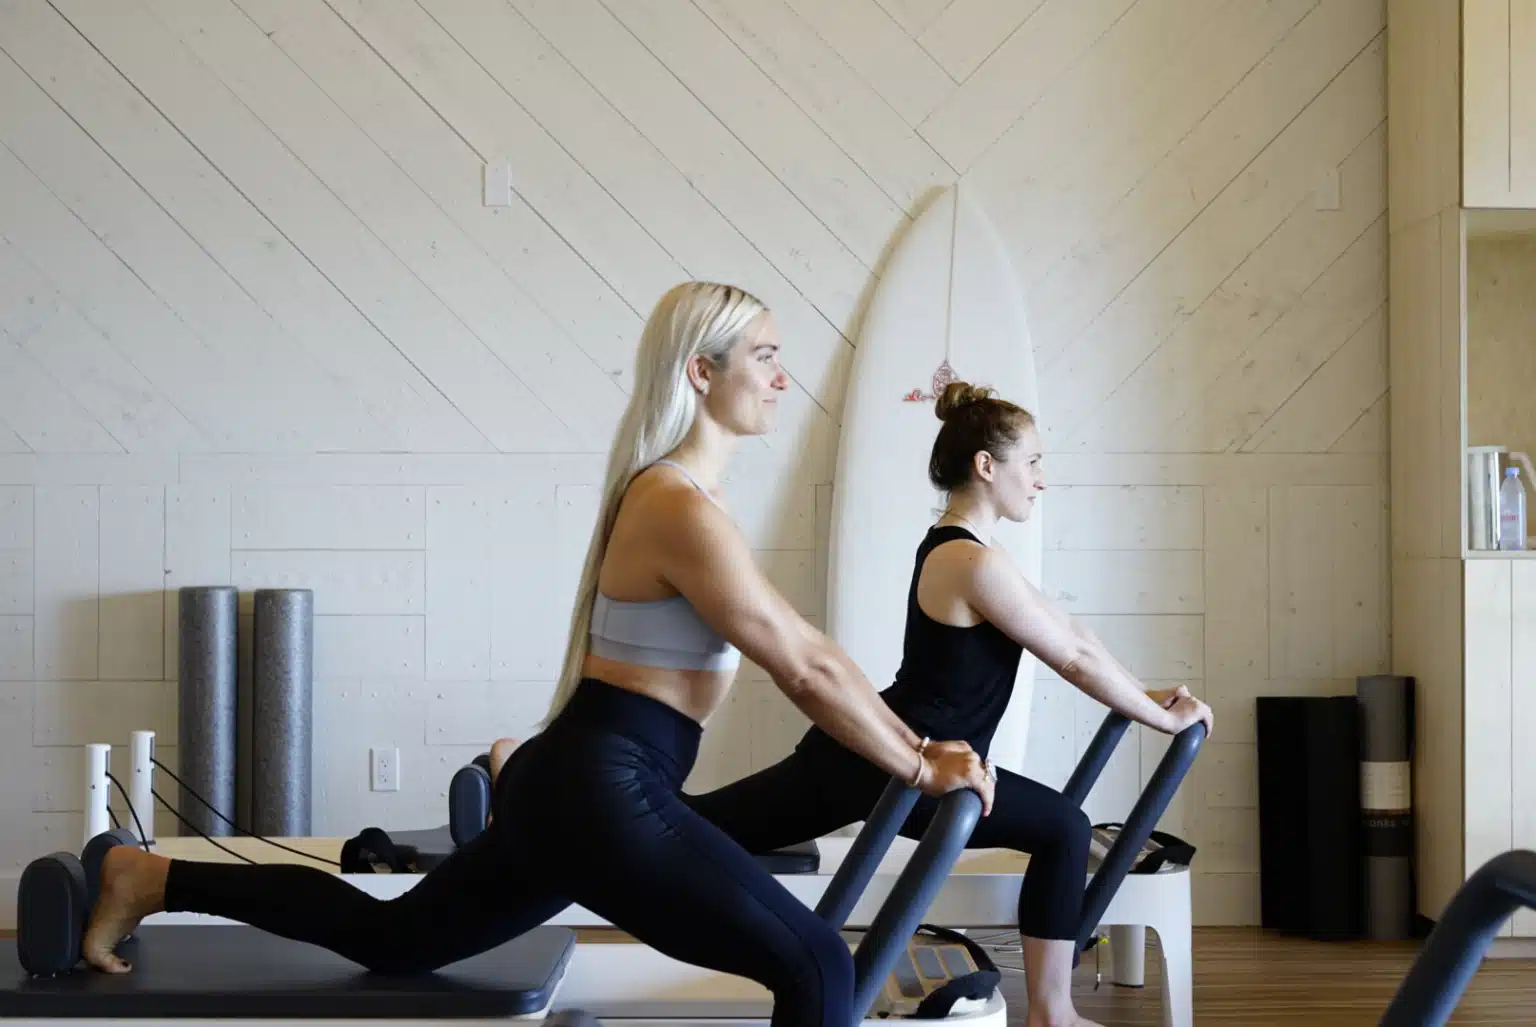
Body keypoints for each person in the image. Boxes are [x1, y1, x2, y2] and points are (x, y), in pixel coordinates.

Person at [79, 282, 994, 1027]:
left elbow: (808, 656)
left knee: (396, 938)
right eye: (765, 355)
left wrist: (915, 754)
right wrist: (917, 760)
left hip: (581, 781)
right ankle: (148, 874)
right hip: (606, 787)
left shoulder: (681, 498)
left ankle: (149, 875)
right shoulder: (676, 504)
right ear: (701, 371)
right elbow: (802, 660)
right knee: (822, 968)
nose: (783, 378)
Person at [681, 381, 1214, 1027]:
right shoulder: (968, 560)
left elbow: (1076, 635)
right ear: (987, 466)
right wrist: (1160, 719)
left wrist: (1145, 693)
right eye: (1033, 462)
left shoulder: (973, 551)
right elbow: (1070, 656)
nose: (1041, 479)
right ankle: (1053, 1013)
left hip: (885, 756)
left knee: (695, 828)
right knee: (1063, 827)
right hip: (892, 760)